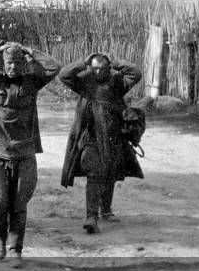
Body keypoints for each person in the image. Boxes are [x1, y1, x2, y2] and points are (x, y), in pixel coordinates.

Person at [0, 41, 61, 266]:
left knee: (19, 202)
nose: (13, 67)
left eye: (18, 63)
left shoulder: (32, 82)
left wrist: (30, 51)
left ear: (23, 65)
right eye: (9, 63)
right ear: (3, 63)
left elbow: (53, 67)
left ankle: (16, 248)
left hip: (24, 151)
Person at [59, 54, 144, 234]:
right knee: (94, 173)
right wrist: (83, 62)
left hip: (114, 137)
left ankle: (105, 209)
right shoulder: (84, 82)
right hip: (90, 136)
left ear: (108, 68)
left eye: (102, 68)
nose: (98, 72)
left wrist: (116, 62)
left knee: (110, 173)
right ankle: (91, 216)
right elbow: (64, 75)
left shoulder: (117, 82)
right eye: (94, 68)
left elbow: (135, 73)